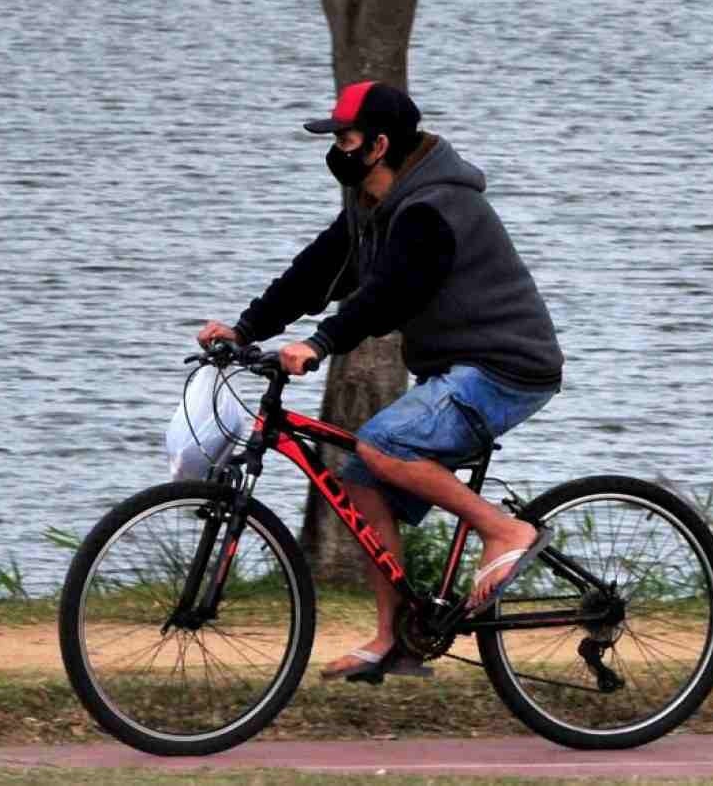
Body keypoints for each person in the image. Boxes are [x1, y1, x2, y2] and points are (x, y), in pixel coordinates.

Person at [197, 80, 565, 683]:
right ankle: (396, 641)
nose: (335, 148)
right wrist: (245, 329)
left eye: (344, 137)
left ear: (378, 145)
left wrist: (320, 344)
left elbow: (390, 296)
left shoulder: (431, 210)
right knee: (361, 473)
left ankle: (504, 530)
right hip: (456, 367)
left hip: (506, 368)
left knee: (382, 442)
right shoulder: (372, 207)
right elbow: (315, 274)